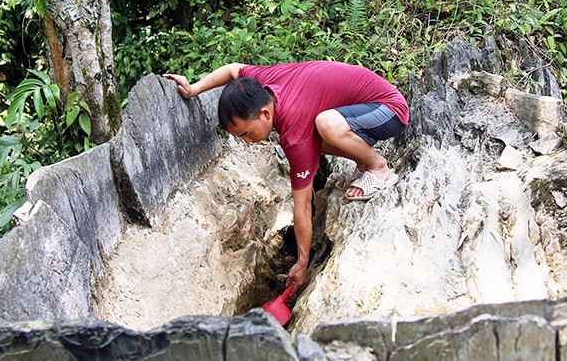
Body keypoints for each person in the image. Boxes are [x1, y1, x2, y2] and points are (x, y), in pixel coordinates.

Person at [163, 61, 409, 291]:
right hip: (365, 107)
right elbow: (233, 70)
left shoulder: (294, 132)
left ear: (265, 114)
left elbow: (302, 205)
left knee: (326, 124)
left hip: (389, 110)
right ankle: (362, 162)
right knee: (321, 129)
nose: (247, 143)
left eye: (247, 133)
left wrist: (302, 263)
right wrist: (193, 89)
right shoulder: (260, 84)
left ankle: (377, 167)